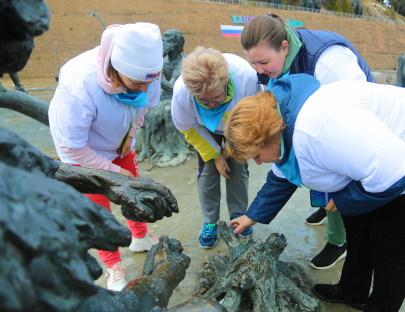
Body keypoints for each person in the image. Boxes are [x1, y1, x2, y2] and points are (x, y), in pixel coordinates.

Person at [225, 74, 405, 311]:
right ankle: (353, 290)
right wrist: (251, 216)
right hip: (391, 158)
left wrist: (344, 199)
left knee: (390, 244)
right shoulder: (283, 121)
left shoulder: (318, 131)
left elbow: (397, 172)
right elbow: (280, 178)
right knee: (358, 224)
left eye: (256, 156)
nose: (258, 163)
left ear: (269, 136)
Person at [240, 12, 376, 270]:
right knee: (305, 159)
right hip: (318, 121)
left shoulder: (329, 62)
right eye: (253, 64)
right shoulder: (270, 70)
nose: (259, 72)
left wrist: (347, 191)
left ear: (284, 46)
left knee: (329, 172)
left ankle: (339, 240)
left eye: (264, 62)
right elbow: (285, 152)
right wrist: (253, 214)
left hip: (351, 122)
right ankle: (325, 206)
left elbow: (358, 118)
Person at [48, 23, 163, 291]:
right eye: (137, 83)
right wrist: (109, 169)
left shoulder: (148, 74)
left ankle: (140, 237)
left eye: (150, 82)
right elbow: (72, 147)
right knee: (98, 208)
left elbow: (145, 105)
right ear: (115, 71)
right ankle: (112, 266)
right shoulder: (80, 83)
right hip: (84, 152)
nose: (145, 89)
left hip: (120, 143)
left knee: (134, 192)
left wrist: (130, 136)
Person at [171, 47, 263, 249]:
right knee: (208, 170)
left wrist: (230, 151)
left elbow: (253, 118)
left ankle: (238, 216)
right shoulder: (182, 94)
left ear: (225, 83)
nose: (212, 105)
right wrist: (215, 155)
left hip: (240, 121)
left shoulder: (246, 79)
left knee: (238, 167)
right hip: (202, 128)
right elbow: (189, 129)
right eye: (204, 101)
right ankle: (210, 221)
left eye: (216, 98)